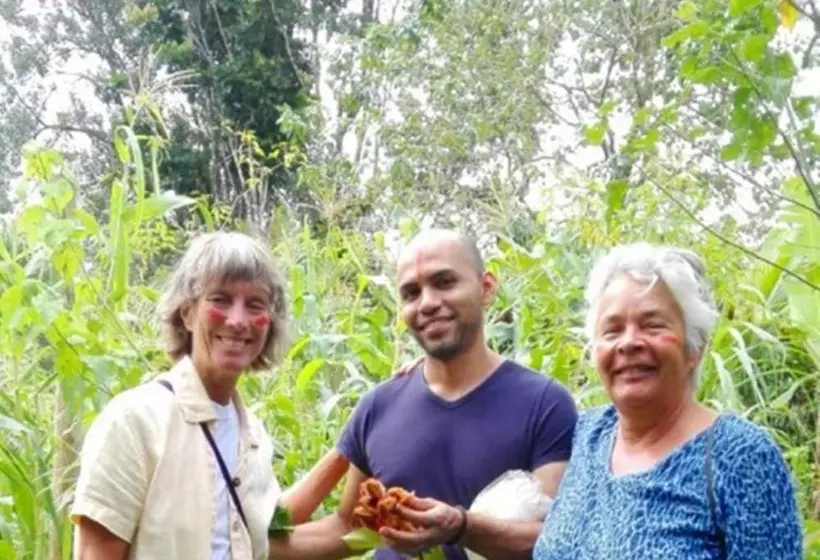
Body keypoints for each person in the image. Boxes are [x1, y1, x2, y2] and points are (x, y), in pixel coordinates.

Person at [268, 229, 578, 560]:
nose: (427, 303)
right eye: (411, 293)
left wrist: (461, 527)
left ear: (486, 287)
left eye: (444, 282)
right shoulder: (379, 406)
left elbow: (555, 540)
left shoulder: (545, 404)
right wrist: (237, 543)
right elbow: (350, 529)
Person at [70, 231, 339, 559]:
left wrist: (354, 444)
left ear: (268, 323)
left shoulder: (253, 435)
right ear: (187, 313)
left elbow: (267, 533)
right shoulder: (135, 421)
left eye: (254, 304)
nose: (238, 321)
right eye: (220, 300)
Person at [533, 243, 803, 559]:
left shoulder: (741, 456)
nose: (629, 342)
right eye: (612, 329)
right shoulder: (590, 432)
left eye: (652, 325)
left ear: (695, 348)